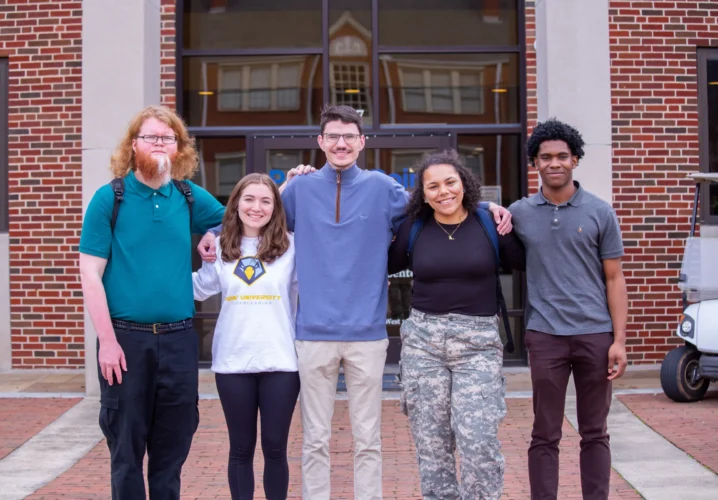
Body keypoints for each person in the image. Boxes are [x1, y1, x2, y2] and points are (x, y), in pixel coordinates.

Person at [198, 105, 512, 500]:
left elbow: (439, 201)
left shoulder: (383, 188)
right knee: (314, 439)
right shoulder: (299, 189)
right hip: (312, 336)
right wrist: (213, 232)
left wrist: (486, 207)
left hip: (367, 336)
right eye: (333, 136)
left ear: (362, 142)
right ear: (321, 142)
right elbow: (254, 216)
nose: (341, 143)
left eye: (349, 136)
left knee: (368, 440)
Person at [79, 105, 226, 500]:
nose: (160, 144)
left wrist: (211, 231)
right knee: (126, 451)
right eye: (151, 137)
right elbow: (90, 274)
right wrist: (107, 342)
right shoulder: (110, 199)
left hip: (179, 341)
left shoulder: (188, 196)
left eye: (168, 138)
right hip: (126, 342)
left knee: (172, 449)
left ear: (179, 149)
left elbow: (239, 219)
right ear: (133, 145)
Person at [388, 149, 525, 499]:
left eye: (450, 182)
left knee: (478, 440)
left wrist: (500, 212)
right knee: (433, 447)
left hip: (477, 344)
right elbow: (384, 265)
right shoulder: (413, 227)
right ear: (422, 192)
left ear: (464, 183)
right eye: (432, 186)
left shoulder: (488, 222)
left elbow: (523, 261)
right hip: (423, 344)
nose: (443, 191)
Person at [510, 119, 628, 500]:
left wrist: (619, 340)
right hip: (545, 336)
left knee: (595, 430)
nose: (554, 163)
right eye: (545, 157)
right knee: (544, 432)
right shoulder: (519, 213)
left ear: (575, 159)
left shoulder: (599, 211)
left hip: (595, 334)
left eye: (562, 156)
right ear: (535, 163)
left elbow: (614, 279)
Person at [192, 173, 299, 500]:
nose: (257, 207)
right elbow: (197, 289)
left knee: (275, 448)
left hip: (280, 361)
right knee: (240, 448)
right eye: (249, 199)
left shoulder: (293, 246)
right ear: (236, 203)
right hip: (232, 362)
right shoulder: (221, 246)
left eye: (266, 200)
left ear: (275, 207)